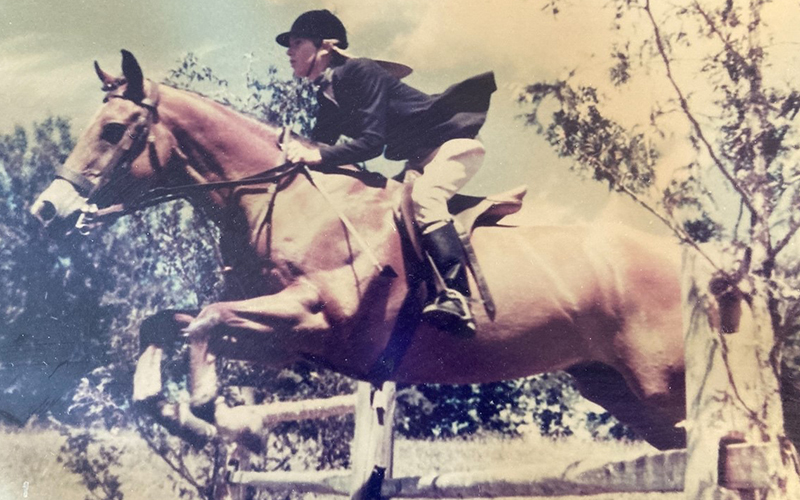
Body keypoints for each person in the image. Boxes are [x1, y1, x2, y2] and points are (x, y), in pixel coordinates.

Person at [278, 10, 496, 337]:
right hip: (421, 159)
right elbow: (319, 147)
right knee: (390, 213)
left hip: (453, 145)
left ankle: (457, 296)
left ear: (325, 47)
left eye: (297, 42)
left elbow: (370, 144)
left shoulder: (359, 71)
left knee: (425, 198)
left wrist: (314, 153)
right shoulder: (328, 92)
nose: (289, 51)